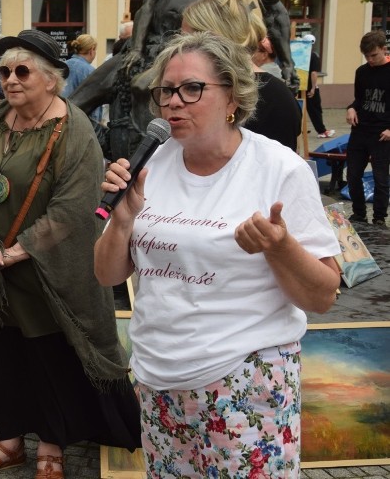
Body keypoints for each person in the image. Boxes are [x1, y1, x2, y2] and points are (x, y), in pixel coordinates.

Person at [95, 31, 340, 477]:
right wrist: (125, 218)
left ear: (232, 96)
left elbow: (323, 296)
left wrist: (280, 247)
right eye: (166, 91)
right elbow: (108, 273)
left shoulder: (279, 168)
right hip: (158, 379)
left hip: (245, 381)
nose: (174, 102)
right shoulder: (150, 164)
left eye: (192, 89)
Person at [0, 29, 141, 479]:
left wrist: (19, 251)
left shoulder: (74, 128)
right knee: (7, 357)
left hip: (49, 271)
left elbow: (74, 208)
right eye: (3, 71)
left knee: (51, 360)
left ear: (53, 80)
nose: (10, 80)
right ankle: (9, 442)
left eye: (22, 71)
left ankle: (51, 449)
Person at [68, 0, 297, 161]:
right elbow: (150, 1)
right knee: (69, 105)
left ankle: (146, 159)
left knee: (151, 89)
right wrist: (135, 49)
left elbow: (272, 5)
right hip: (157, 43)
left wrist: (287, 62)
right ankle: (117, 149)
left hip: (213, 46)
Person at [181, 0, 302, 150]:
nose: (180, 48)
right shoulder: (203, 83)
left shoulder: (273, 97)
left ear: (214, 37)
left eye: (186, 40)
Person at [347, 30, 390, 228]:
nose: (370, 60)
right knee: (353, 174)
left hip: (382, 134)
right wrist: (352, 108)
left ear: (384, 49)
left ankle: (379, 217)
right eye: (366, 56)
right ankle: (359, 213)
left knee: (381, 178)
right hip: (360, 130)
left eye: (374, 55)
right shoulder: (361, 72)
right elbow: (359, 99)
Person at [304, 34, 335, 138]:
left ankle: (301, 129)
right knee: (315, 110)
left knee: (300, 109)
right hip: (310, 87)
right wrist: (313, 88)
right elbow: (313, 73)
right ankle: (321, 131)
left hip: (301, 86)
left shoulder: (299, 54)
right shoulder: (313, 56)